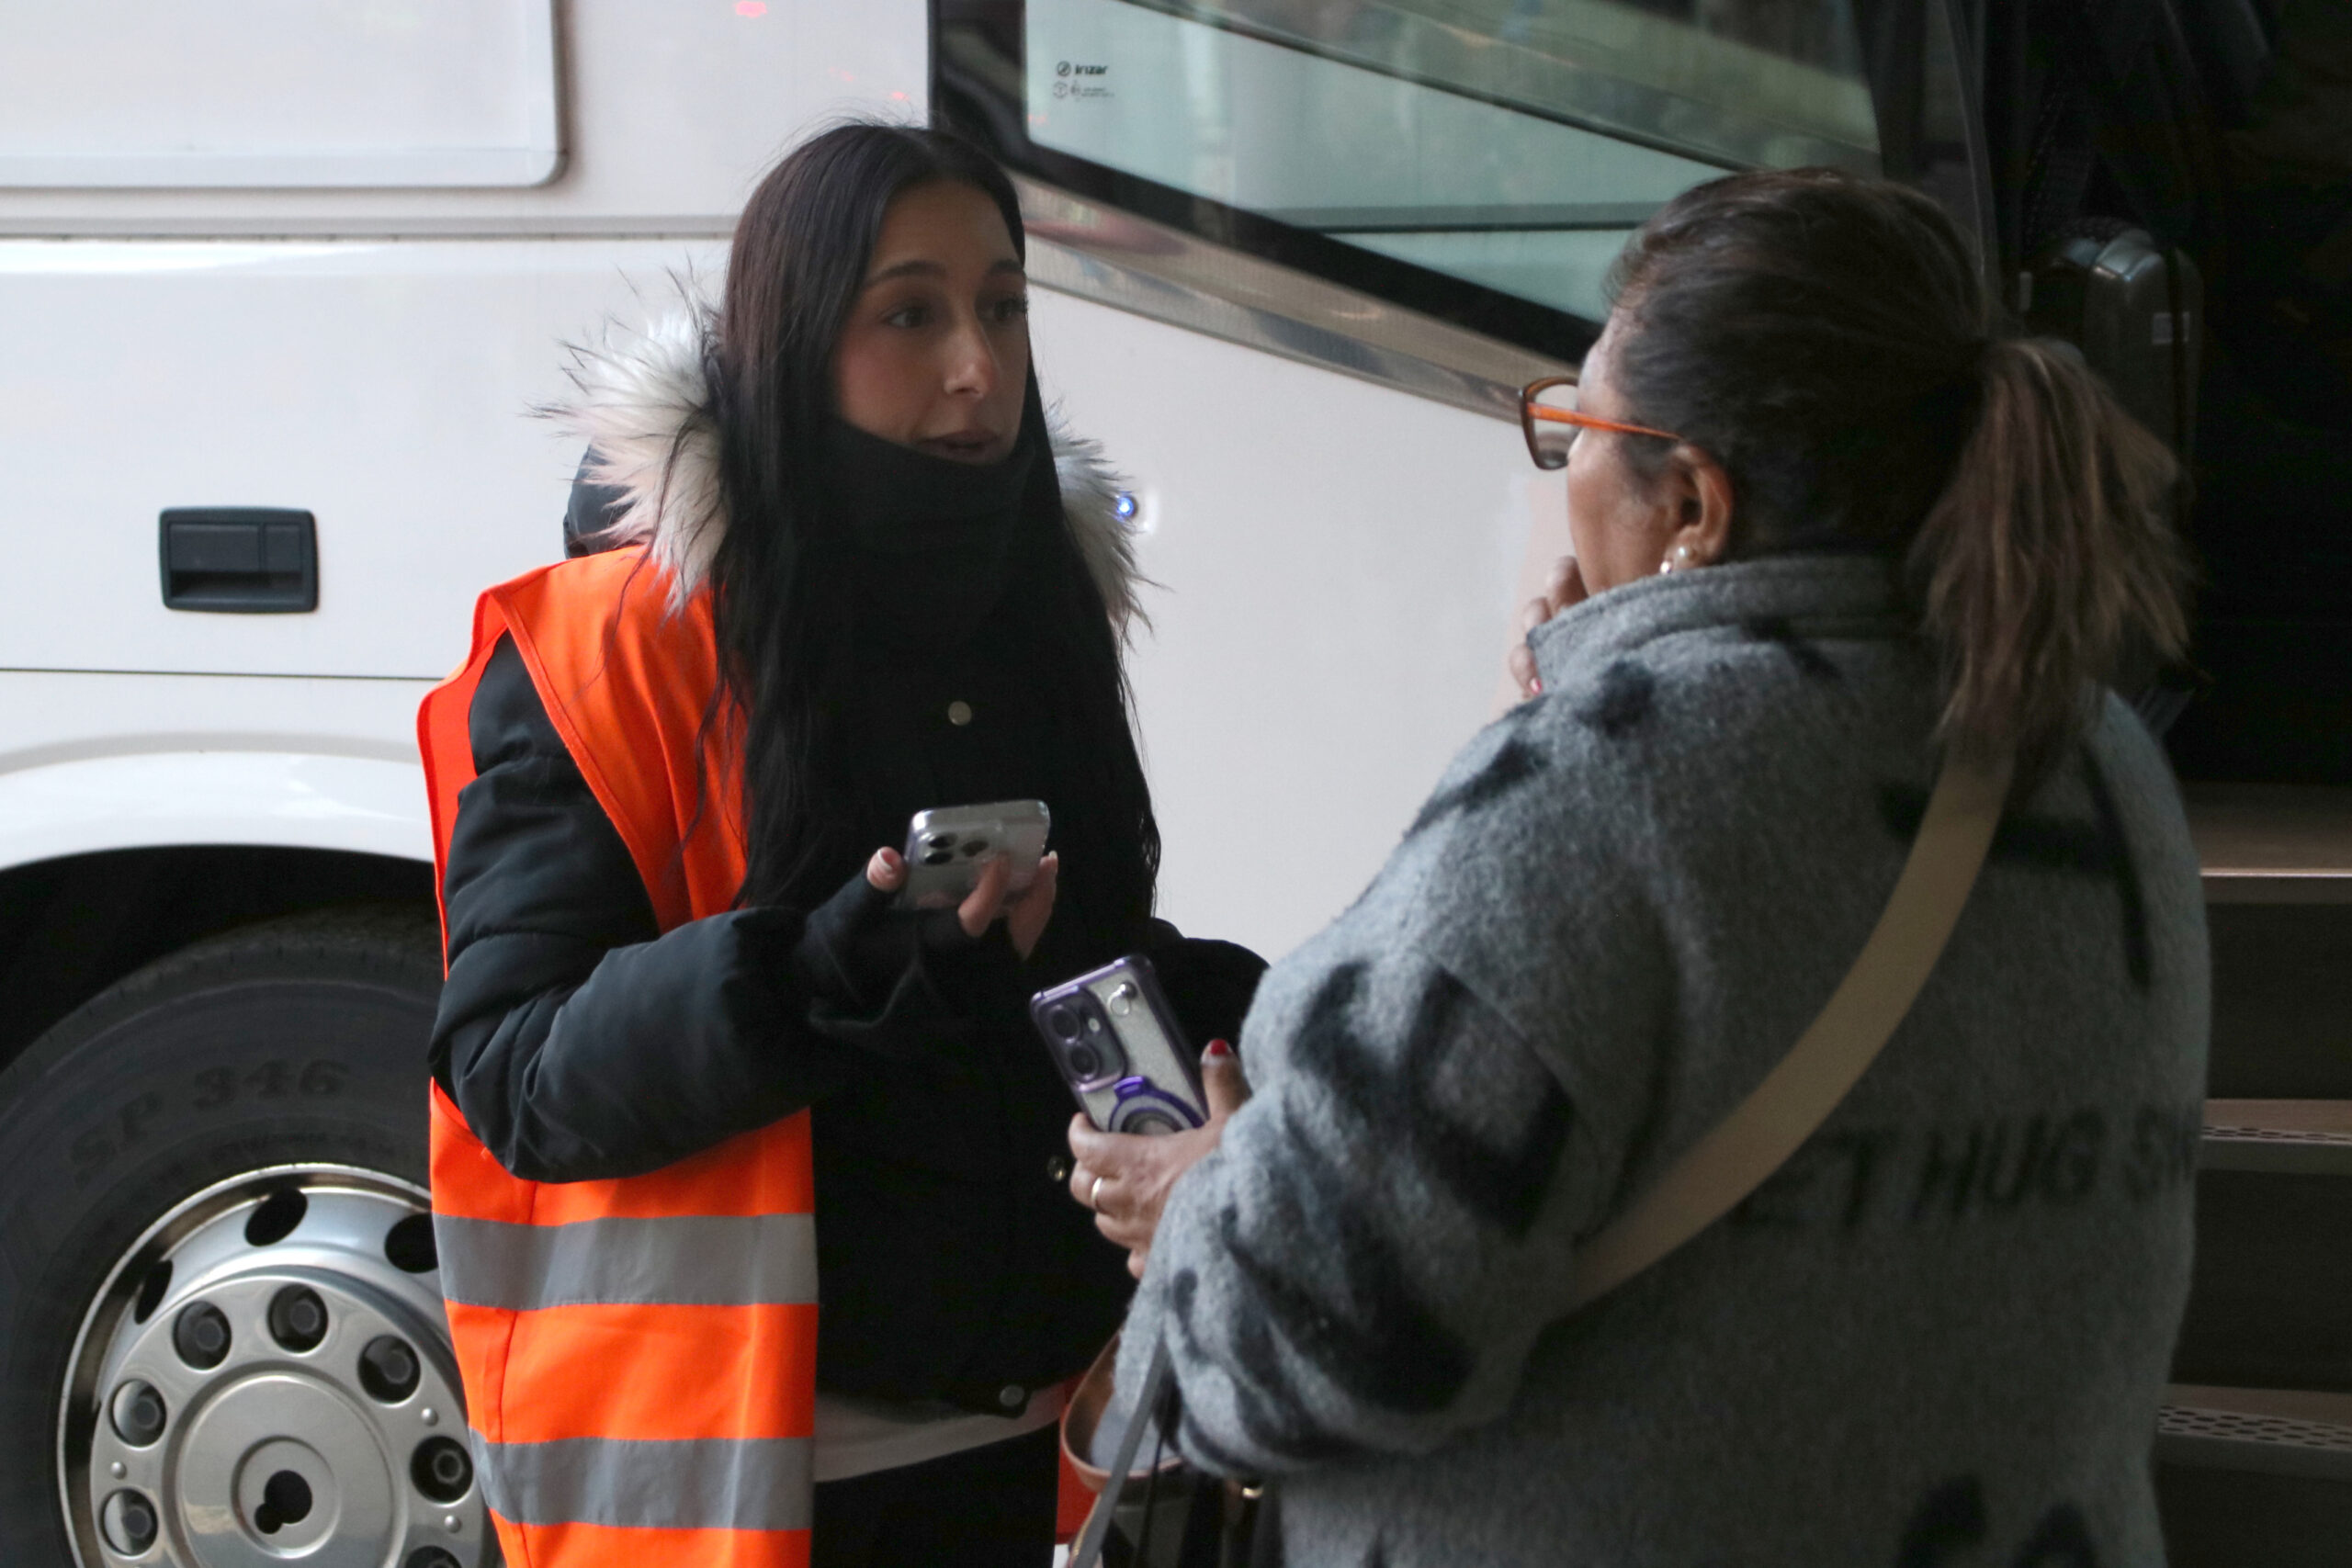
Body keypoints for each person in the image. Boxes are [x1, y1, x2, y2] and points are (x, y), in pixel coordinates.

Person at [1067, 167, 2204, 1566]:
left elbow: (1305, 1350)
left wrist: (1202, 1205)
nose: (1562, 470)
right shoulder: (2095, 754)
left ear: (1695, 506)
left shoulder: (1593, 800)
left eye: (1579, 430)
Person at [419, 123, 1261, 1568]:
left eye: (1003, 307)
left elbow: (1084, 966)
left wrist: (1275, 1016)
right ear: (797, 345)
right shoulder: (613, 644)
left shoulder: (1043, 601)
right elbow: (515, 1074)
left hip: (1052, 1458)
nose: (977, 367)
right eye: (911, 315)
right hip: (754, 1489)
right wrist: (812, 974)